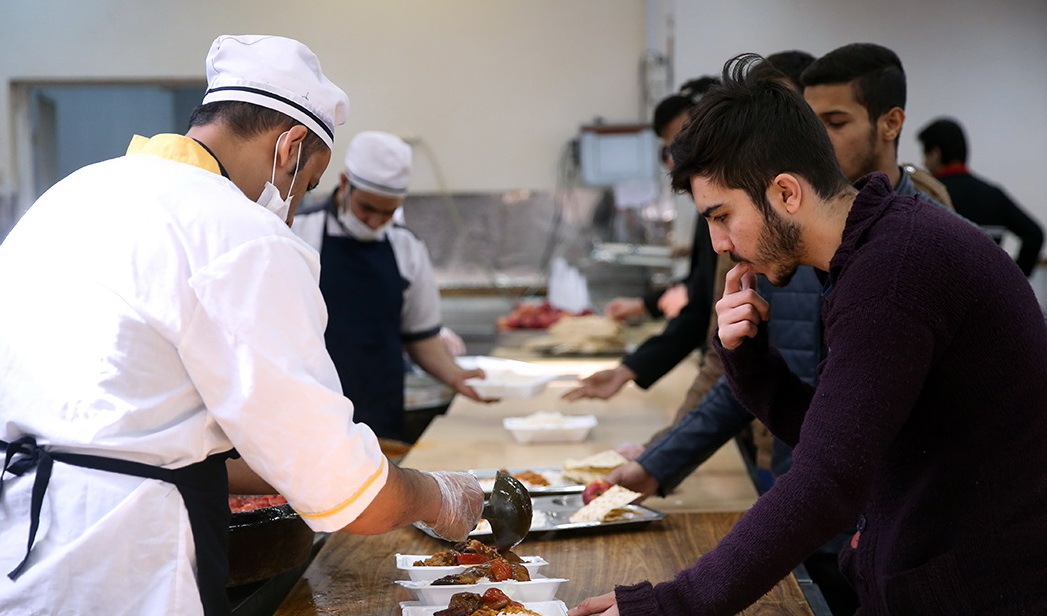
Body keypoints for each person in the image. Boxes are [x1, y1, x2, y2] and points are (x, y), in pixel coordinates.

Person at [0, 35, 483, 616]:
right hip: (129, 562)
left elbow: (135, 423)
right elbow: (339, 487)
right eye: (306, 185)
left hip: (22, 539)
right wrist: (438, 496)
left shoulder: (74, 194)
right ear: (290, 145)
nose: (295, 205)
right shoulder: (240, 234)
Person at [570, 53, 1047, 616]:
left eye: (722, 216)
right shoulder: (870, 254)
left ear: (787, 194)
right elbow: (834, 435)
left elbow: (827, 481)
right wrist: (747, 357)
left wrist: (675, 603)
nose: (719, 243)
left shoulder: (894, 271)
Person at [292, 131, 489, 442]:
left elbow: (420, 335)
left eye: (387, 213)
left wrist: (456, 376)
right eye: (367, 208)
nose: (375, 221)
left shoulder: (406, 247)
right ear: (344, 184)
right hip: (309, 410)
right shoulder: (298, 232)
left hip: (380, 409)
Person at [564, 77, 721, 416]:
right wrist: (629, 369)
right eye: (669, 149)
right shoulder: (709, 207)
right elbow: (703, 304)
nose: (674, 158)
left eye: (685, 139)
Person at [917, 117, 1044, 276]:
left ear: (936, 153)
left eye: (925, 155)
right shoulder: (994, 195)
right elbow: (1034, 235)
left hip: (937, 295)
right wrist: (1013, 282)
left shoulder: (924, 196)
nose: (924, 163)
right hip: (989, 295)